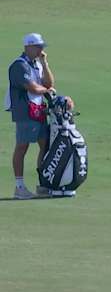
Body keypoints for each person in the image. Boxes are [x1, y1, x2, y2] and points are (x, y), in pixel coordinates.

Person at [4, 33, 55, 199]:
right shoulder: (19, 65)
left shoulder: (37, 64)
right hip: (25, 111)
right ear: (28, 47)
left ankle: (43, 184)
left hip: (39, 110)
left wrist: (45, 63)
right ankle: (19, 187)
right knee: (22, 146)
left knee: (45, 145)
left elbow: (49, 83)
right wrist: (47, 91)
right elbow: (32, 87)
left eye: (42, 47)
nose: (41, 50)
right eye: (38, 47)